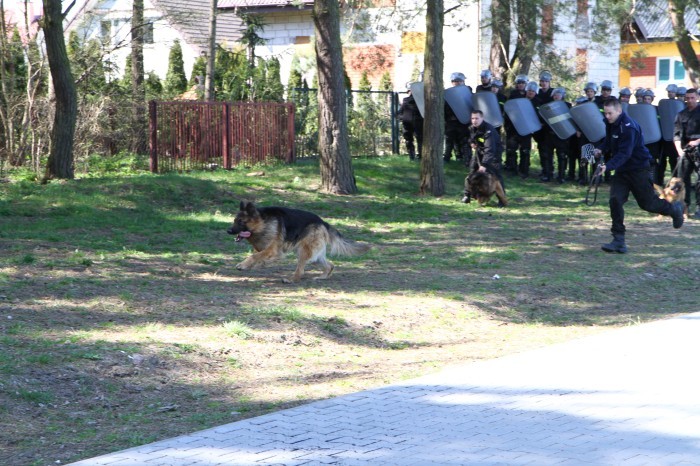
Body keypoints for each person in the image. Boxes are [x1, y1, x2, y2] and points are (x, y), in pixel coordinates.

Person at [594, 98, 684, 253]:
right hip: (622, 171)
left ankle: (673, 209)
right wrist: (601, 149)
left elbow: (625, 153)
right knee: (615, 200)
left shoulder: (629, 128)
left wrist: (607, 166)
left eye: (610, 113)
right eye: (606, 113)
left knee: (648, 204)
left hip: (638, 169)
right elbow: (609, 141)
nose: (607, 116)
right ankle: (619, 240)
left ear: (619, 111)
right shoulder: (610, 123)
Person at [462, 109, 505, 206]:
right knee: (472, 174)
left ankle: (502, 200)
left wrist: (484, 165)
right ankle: (467, 195)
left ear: (482, 118)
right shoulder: (472, 128)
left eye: (477, 118)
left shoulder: (488, 130)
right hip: (479, 153)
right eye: (472, 118)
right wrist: (472, 142)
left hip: (493, 156)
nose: (474, 121)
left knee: (496, 177)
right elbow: (472, 138)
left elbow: (490, 149)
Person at [673, 87, 700, 218]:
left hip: (699, 148)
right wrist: (679, 150)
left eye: (692, 98)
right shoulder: (681, 114)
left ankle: (699, 208)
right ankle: (684, 207)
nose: (689, 100)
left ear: (697, 97)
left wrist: (697, 142)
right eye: (687, 98)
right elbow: (676, 135)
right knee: (682, 180)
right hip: (685, 150)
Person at [504, 74, 531, 177]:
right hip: (513, 128)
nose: (520, 85)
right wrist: (507, 126)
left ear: (526, 84)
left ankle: (524, 170)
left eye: (522, 83)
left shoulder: (530, 96)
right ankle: (512, 169)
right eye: (519, 83)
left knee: (525, 151)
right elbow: (508, 111)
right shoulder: (512, 95)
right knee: (511, 150)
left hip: (525, 128)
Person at [444, 72, 471, 163]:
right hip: (451, 121)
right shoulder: (448, 93)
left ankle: (467, 159)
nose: (457, 83)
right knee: (449, 141)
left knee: (465, 141)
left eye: (459, 81)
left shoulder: (467, 91)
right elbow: (445, 108)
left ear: (463, 81)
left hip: (464, 121)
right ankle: (447, 158)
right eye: (455, 81)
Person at [550, 88, 572, 183]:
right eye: (555, 94)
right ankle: (548, 174)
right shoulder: (548, 106)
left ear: (562, 96)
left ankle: (561, 176)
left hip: (563, 134)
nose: (556, 96)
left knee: (562, 155)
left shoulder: (567, 106)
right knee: (548, 155)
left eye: (558, 94)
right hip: (551, 134)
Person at [398, 86, 424, 161]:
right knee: (412, 140)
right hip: (409, 124)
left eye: (410, 91)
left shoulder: (420, 101)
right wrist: (403, 118)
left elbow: (399, 113)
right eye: (408, 91)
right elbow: (399, 113)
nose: (409, 93)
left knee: (418, 140)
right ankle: (413, 156)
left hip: (416, 123)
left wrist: (402, 118)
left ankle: (417, 156)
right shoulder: (406, 100)